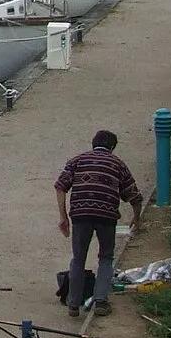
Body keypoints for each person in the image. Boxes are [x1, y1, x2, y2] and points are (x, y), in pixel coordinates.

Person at [55, 129, 143, 315]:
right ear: (112, 147)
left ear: (93, 143)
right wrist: (137, 216)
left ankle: (73, 303)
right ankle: (101, 302)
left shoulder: (77, 160)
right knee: (106, 257)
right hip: (107, 216)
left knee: (78, 259)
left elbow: (60, 186)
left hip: (80, 215)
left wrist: (63, 216)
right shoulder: (118, 164)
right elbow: (134, 195)